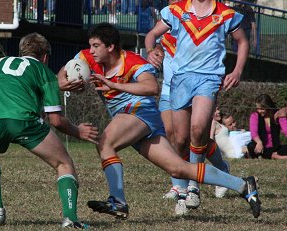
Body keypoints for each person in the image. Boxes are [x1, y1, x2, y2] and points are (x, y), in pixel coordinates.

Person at [58, 22, 260, 219]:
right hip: (130, 119)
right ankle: (242, 185)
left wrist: (114, 85)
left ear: (110, 47)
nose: (91, 50)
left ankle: (117, 201)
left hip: (140, 112)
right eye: (91, 45)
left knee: (105, 143)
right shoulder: (86, 57)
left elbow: (151, 87)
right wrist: (63, 82)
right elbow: (65, 70)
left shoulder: (133, 61)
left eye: (96, 46)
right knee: (178, 168)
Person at [0, 33, 99, 229]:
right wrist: (78, 131)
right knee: (63, 163)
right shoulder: (43, 70)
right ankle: (70, 219)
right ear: (45, 57)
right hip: (22, 122)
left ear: (21, 52)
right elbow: (55, 120)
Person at [145, 0, 248, 211]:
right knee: (180, 139)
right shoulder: (176, 10)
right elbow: (151, 34)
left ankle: (193, 186)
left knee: (198, 129)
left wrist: (237, 71)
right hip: (180, 80)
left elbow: (243, 42)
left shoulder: (226, 14)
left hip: (209, 78)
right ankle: (181, 190)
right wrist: (151, 50)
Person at [247, 94, 287, 160]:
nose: (259, 111)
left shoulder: (277, 115)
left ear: (268, 107)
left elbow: (285, 129)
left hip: (275, 147)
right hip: (261, 146)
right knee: (251, 146)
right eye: (257, 108)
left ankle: (268, 155)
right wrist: (259, 142)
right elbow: (254, 133)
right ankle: (276, 157)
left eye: (262, 109)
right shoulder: (254, 116)